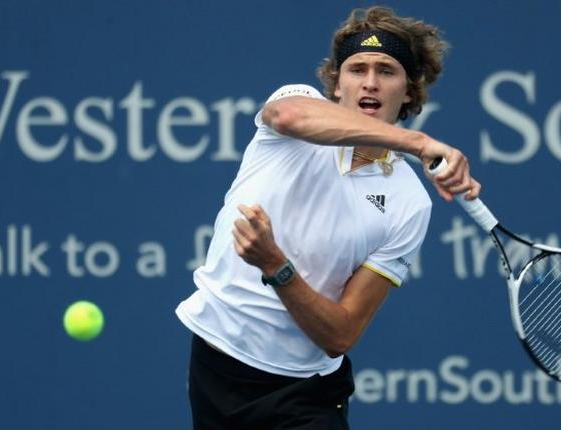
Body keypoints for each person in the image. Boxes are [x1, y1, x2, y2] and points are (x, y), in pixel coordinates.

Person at [175, 6, 481, 429]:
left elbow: (340, 334)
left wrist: (276, 266)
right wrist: (419, 141)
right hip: (216, 365)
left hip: (304, 396)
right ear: (337, 85)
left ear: (409, 91)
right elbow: (289, 116)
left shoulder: (410, 201)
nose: (370, 82)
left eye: (387, 71)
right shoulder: (293, 109)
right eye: (357, 69)